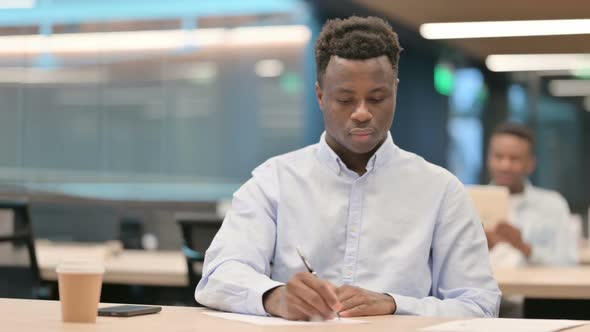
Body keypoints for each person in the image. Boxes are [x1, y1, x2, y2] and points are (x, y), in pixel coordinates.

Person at [195, 16, 500, 320]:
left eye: (377, 98)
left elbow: (480, 305)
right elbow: (218, 276)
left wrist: (395, 304)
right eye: (345, 99)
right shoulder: (274, 181)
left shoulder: (441, 191)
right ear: (320, 96)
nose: (362, 113)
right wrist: (275, 297)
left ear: (394, 91)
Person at [485, 123, 578, 266]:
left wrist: (522, 246)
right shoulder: (469, 204)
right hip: (486, 287)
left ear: (530, 164)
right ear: (489, 160)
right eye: (498, 157)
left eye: (514, 158)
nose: (505, 166)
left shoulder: (553, 205)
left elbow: (568, 264)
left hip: (536, 288)